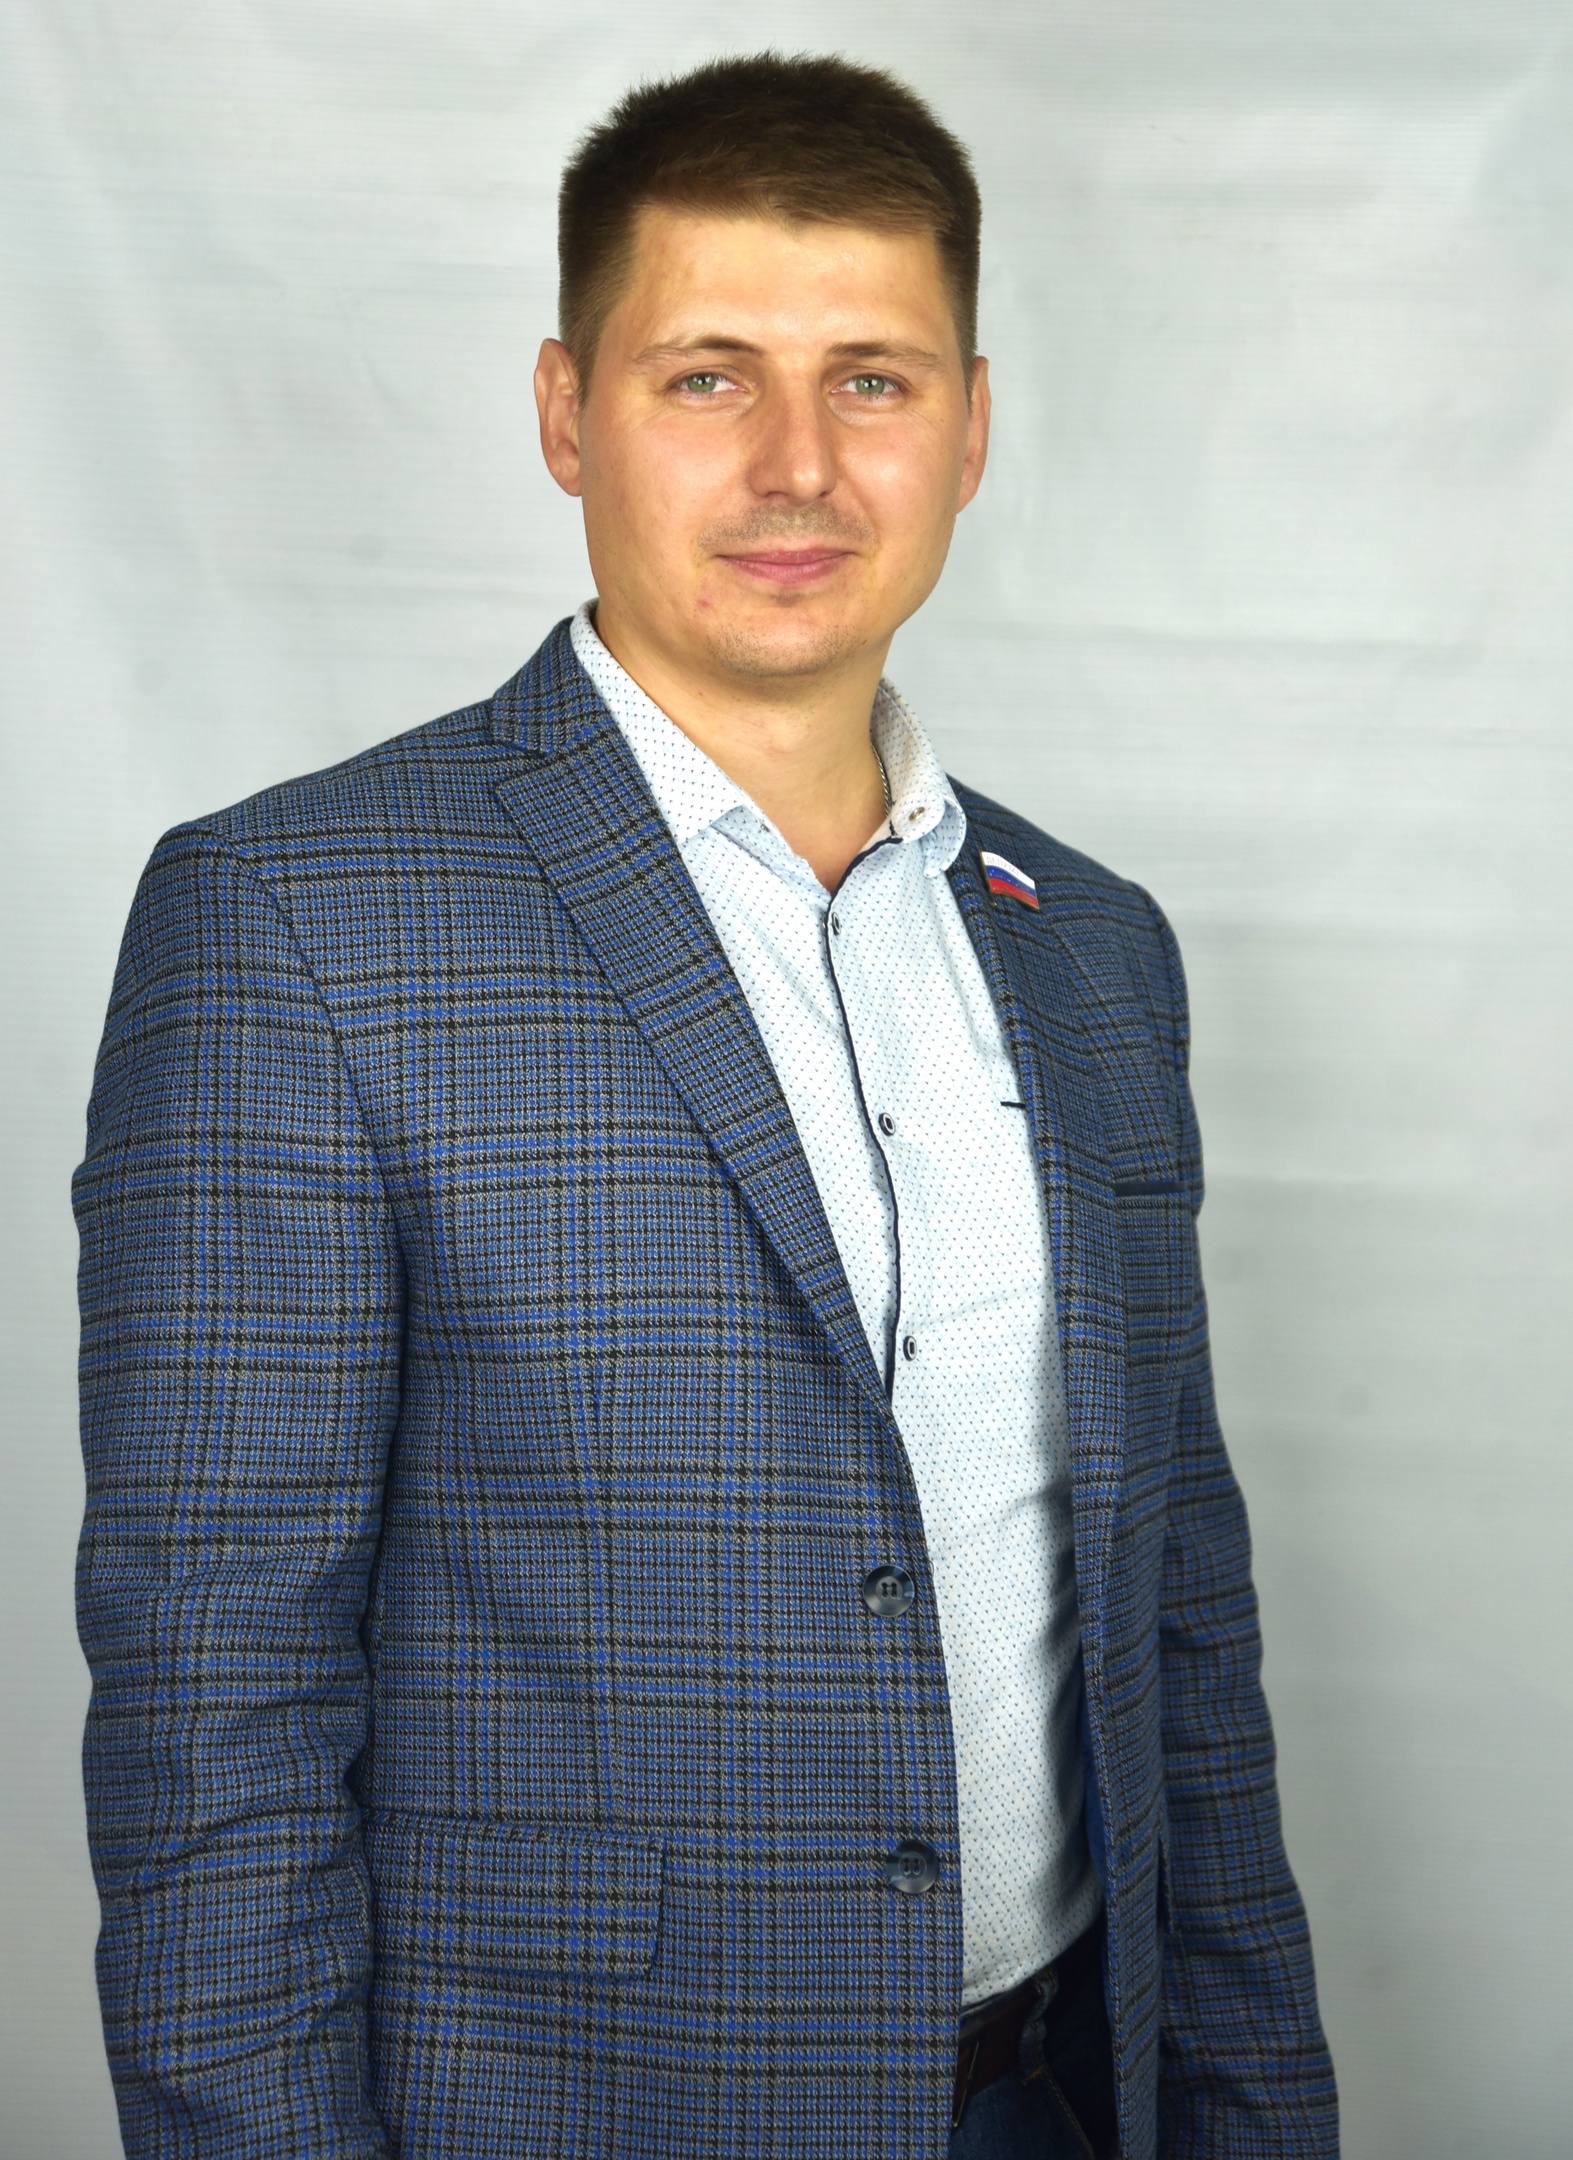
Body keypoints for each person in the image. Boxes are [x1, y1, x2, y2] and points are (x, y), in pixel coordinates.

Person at [74, 51, 1338, 2160]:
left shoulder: (1096, 954)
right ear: (567, 413)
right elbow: (219, 1718)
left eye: (870, 381)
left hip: (1061, 2100)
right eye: (706, 378)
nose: (796, 467)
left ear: (969, 426)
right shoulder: (293, 922)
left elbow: (1178, 1618)